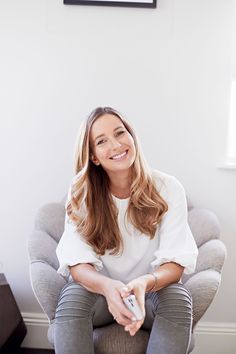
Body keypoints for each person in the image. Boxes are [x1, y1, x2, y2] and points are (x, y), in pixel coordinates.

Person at [55, 106, 198, 354]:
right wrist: (109, 288)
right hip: (99, 296)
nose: (116, 145)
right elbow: (77, 265)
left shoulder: (168, 187)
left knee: (178, 297)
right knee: (72, 297)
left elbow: (175, 263)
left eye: (120, 133)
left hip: (150, 296)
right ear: (94, 156)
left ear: (132, 137)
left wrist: (143, 284)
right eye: (101, 141)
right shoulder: (81, 191)